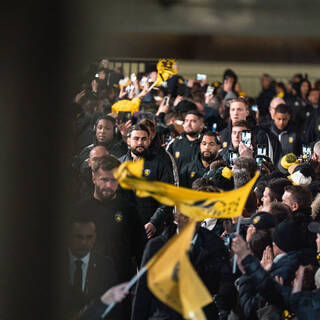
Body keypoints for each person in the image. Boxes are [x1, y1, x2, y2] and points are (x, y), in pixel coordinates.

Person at [131, 209, 236, 320]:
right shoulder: (157, 247)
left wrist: (221, 304)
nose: (190, 220)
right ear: (176, 217)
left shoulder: (214, 246)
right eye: (186, 216)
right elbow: (143, 293)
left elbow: (225, 282)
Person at [59, 213, 122, 320]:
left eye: (89, 237)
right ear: (69, 236)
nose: (84, 242)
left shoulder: (105, 266)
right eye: (79, 237)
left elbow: (114, 308)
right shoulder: (56, 264)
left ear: (95, 237)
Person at [119, 124, 174, 238]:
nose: (140, 142)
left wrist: (154, 222)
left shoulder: (160, 164)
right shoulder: (119, 164)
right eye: (136, 139)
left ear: (149, 141)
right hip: (124, 229)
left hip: (152, 230)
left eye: (144, 139)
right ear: (128, 140)